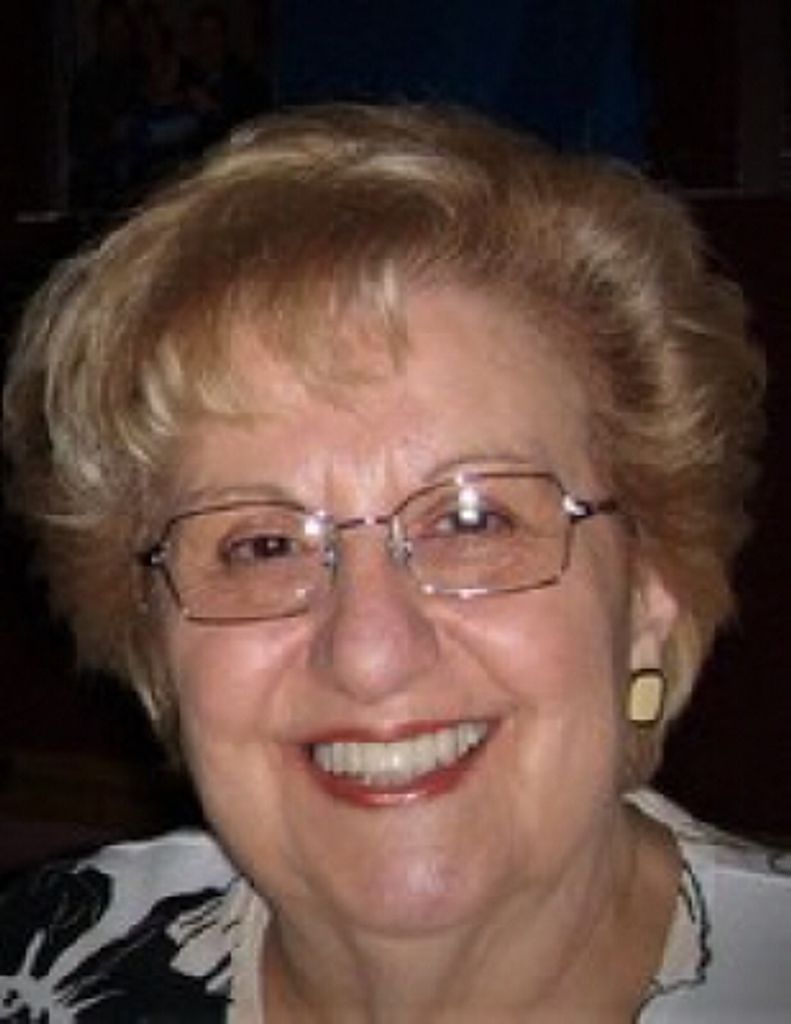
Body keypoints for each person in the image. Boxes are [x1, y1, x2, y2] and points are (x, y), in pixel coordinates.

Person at [1, 104, 788, 1020]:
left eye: (472, 520)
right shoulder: (35, 970)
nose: (370, 653)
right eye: (262, 545)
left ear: (648, 592)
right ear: (155, 642)